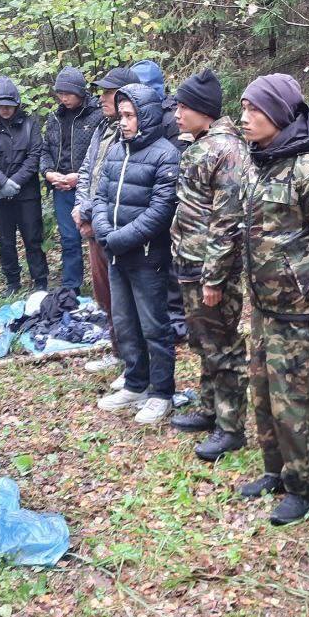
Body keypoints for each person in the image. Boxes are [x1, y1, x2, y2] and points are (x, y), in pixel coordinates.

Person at [238, 73, 309, 526]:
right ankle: (276, 471)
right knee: (264, 394)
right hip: (264, 306)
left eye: (254, 110)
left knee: (297, 402)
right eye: (243, 109)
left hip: (300, 312)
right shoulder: (263, 161)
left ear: (280, 115)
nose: (244, 119)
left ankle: (305, 488)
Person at [168, 69, 251, 461]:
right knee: (203, 340)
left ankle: (231, 427)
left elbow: (228, 220)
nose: (176, 113)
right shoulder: (203, 144)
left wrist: (215, 277)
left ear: (203, 110)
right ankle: (209, 408)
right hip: (190, 261)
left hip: (211, 268)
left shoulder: (227, 150)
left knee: (222, 345)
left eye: (183, 107)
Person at [91, 82, 181, 425]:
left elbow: (160, 211)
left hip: (147, 258)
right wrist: (104, 232)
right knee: (126, 324)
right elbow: (101, 197)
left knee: (154, 327)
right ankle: (135, 382)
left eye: (130, 115)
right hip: (117, 255)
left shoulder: (165, 155)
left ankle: (162, 392)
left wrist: (118, 239)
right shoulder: (116, 150)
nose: (124, 122)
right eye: (122, 115)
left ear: (146, 116)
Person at [75, 66, 138, 378]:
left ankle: (132, 359)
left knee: (123, 297)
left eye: (108, 93)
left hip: (113, 227)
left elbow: (116, 186)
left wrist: (89, 214)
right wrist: (80, 209)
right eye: (101, 92)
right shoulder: (103, 128)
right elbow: (87, 170)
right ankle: (117, 350)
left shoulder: (133, 134)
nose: (101, 99)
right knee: (103, 295)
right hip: (93, 226)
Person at [132, 58, 189, 344]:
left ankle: (177, 319)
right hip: (145, 200)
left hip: (171, 199)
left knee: (171, 261)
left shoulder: (171, 117)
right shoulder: (139, 116)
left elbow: (176, 159)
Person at [0, 76, 48, 297]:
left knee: (33, 238)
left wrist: (14, 182)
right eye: (0, 105)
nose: (5, 109)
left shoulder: (30, 124)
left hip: (26, 193)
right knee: (5, 239)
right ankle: (12, 282)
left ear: (17, 104)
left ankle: (40, 281)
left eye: (9, 105)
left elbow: (35, 155)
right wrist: (2, 183)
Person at [41, 65, 102, 291]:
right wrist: (48, 173)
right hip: (61, 187)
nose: (63, 98)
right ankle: (71, 288)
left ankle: (104, 289)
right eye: (60, 93)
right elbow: (44, 149)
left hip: (89, 188)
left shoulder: (97, 116)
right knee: (69, 240)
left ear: (80, 92)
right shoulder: (54, 118)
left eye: (68, 93)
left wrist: (80, 177)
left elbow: (102, 153)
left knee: (98, 238)